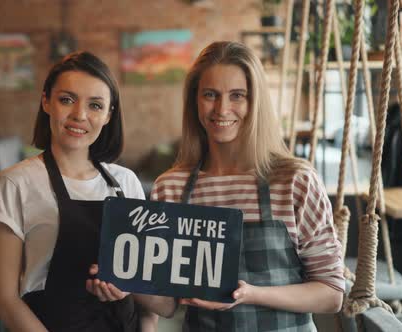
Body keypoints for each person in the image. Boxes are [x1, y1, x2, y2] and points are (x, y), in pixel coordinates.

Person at [87, 41, 345, 331]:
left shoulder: (295, 181)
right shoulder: (171, 187)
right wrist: (124, 283)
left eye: (238, 96)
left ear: (255, 101)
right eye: (210, 95)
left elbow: (331, 293)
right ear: (195, 100)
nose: (222, 109)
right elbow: (169, 304)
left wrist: (250, 294)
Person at [0, 51, 157, 331]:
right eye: (67, 100)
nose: (79, 115)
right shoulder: (16, 183)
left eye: (96, 105)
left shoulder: (126, 183)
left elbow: (146, 286)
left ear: (109, 115)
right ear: (46, 102)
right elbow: (4, 300)